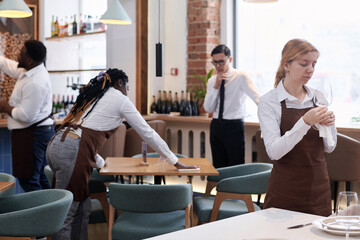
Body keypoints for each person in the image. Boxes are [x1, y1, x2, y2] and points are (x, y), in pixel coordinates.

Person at [46, 68, 197, 240]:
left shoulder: (95, 96)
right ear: (119, 83)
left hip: (58, 145)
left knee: (82, 206)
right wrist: (175, 161)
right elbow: (147, 132)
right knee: (68, 212)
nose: (128, 91)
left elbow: (84, 135)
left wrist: (101, 162)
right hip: (71, 151)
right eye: (127, 87)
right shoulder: (119, 99)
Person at [258, 39, 337, 216]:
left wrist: (330, 126)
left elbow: (330, 147)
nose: (310, 69)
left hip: (319, 189)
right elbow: (274, 152)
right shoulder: (269, 102)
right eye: (304, 64)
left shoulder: (317, 97)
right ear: (286, 64)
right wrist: (304, 122)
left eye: (314, 64)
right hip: (285, 191)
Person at [0, 40, 54, 192]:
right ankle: (50, 213)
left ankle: (39, 214)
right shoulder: (30, 71)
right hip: (34, 134)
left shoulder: (35, 82)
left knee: (28, 179)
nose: (17, 55)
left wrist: (5, 107)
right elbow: (9, 65)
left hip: (33, 135)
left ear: (29, 60)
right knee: (41, 177)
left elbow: (25, 115)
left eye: (21, 53)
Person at [203, 44, 260, 168]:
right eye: (215, 62)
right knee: (218, 166)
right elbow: (208, 108)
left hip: (234, 126)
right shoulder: (212, 81)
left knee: (236, 165)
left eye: (221, 62)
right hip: (216, 126)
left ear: (230, 59)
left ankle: (234, 188)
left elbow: (257, 98)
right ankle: (220, 188)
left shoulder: (240, 76)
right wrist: (216, 86)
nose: (218, 66)